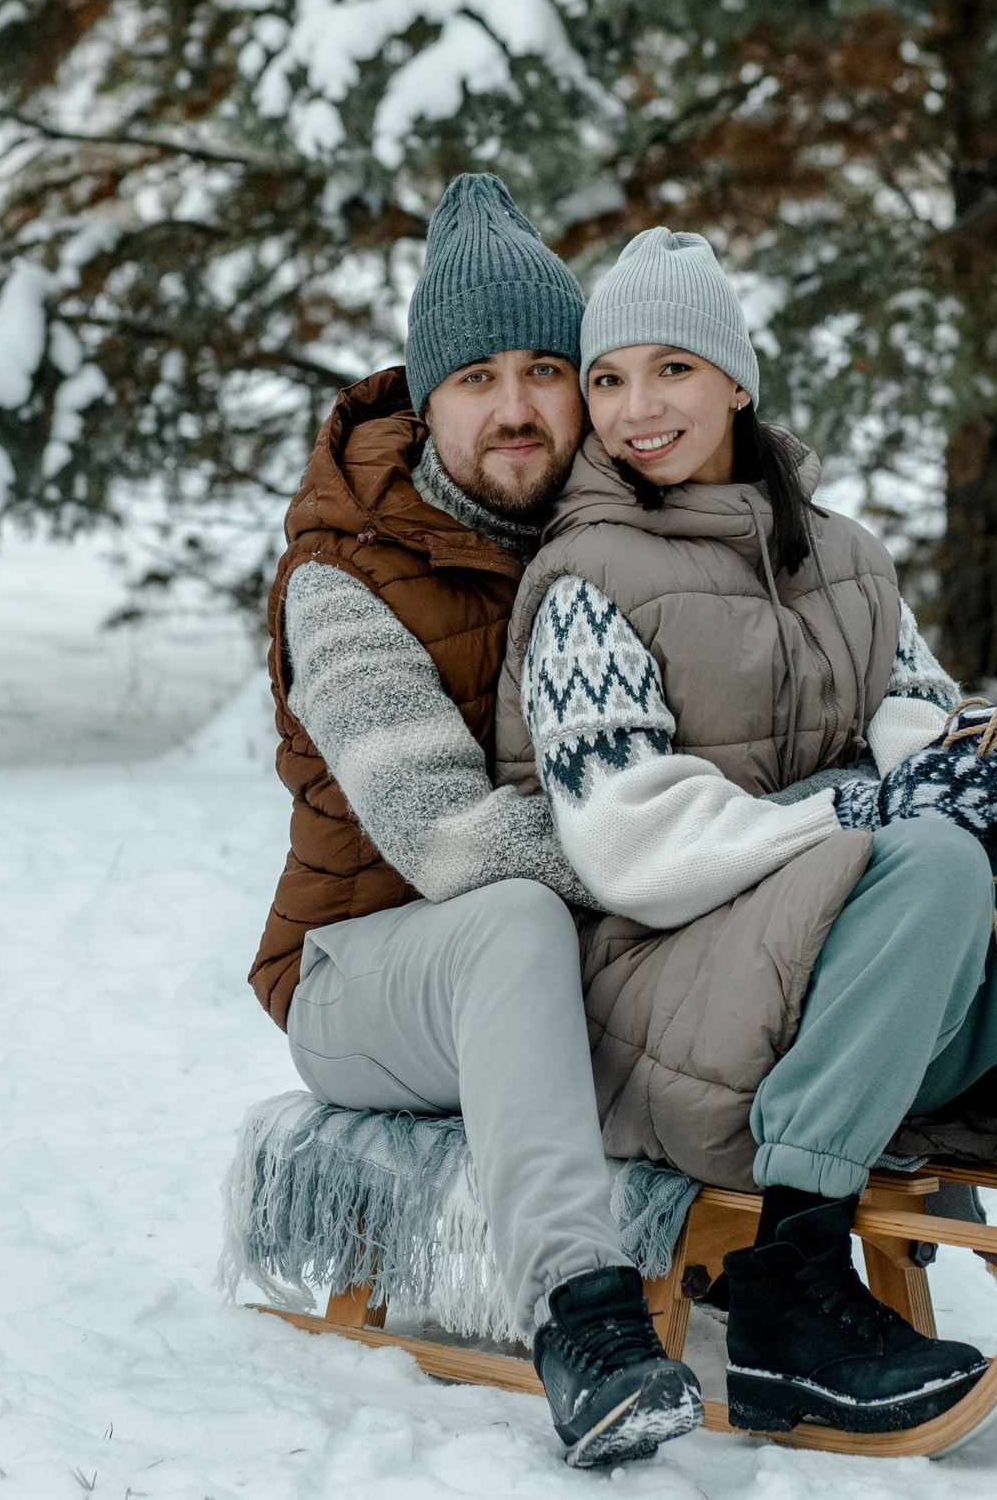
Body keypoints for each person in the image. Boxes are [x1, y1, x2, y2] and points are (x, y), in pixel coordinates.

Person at [492, 227, 997, 1436]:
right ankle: (790, 1287)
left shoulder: (847, 557)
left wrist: (966, 757)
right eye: (606, 379)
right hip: (659, 993)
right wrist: (863, 809)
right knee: (913, 852)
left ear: (736, 379)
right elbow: (626, 840)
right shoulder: (584, 577)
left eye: (671, 370)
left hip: (842, 974)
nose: (635, 408)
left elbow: (908, 711)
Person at [247, 176, 703, 1466]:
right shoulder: (338, 575)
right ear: (423, 393)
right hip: (363, 971)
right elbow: (447, 841)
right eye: (476, 378)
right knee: (504, 913)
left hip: (577, 942)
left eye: (547, 371)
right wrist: (710, 852)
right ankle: (583, 1316)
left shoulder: (621, 528)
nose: (515, 409)